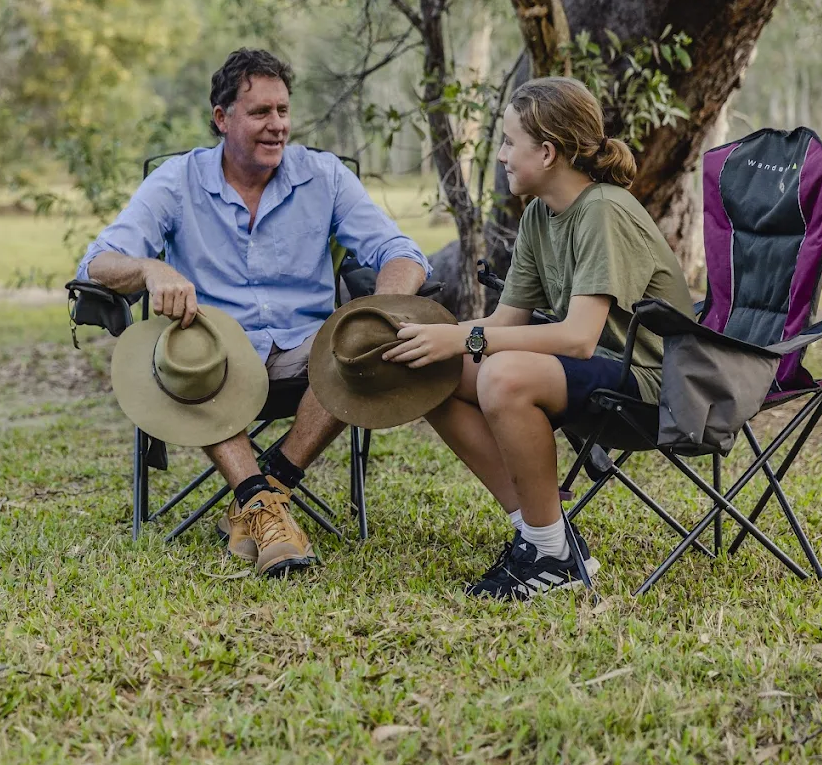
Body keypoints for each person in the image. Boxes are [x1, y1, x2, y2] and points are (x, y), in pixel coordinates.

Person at [77, 48, 430, 577]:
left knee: (362, 341)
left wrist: (383, 307)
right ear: (222, 119)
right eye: (261, 113)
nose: (277, 126)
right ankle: (265, 507)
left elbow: (400, 251)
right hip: (215, 356)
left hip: (308, 354)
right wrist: (152, 270)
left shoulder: (324, 176)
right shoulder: (177, 181)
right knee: (183, 354)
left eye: (283, 112)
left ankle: (263, 498)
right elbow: (96, 262)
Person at [385, 76, 692, 600]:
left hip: (657, 387)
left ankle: (551, 555)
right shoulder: (538, 217)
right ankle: (543, 536)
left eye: (508, 142)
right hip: (599, 374)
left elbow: (576, 338)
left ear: (548, 152)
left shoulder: (602, 210)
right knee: (430, 371)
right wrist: (440, 339)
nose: (501, 155)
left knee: (503, 375)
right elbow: (507, 323)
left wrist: (467, 341)